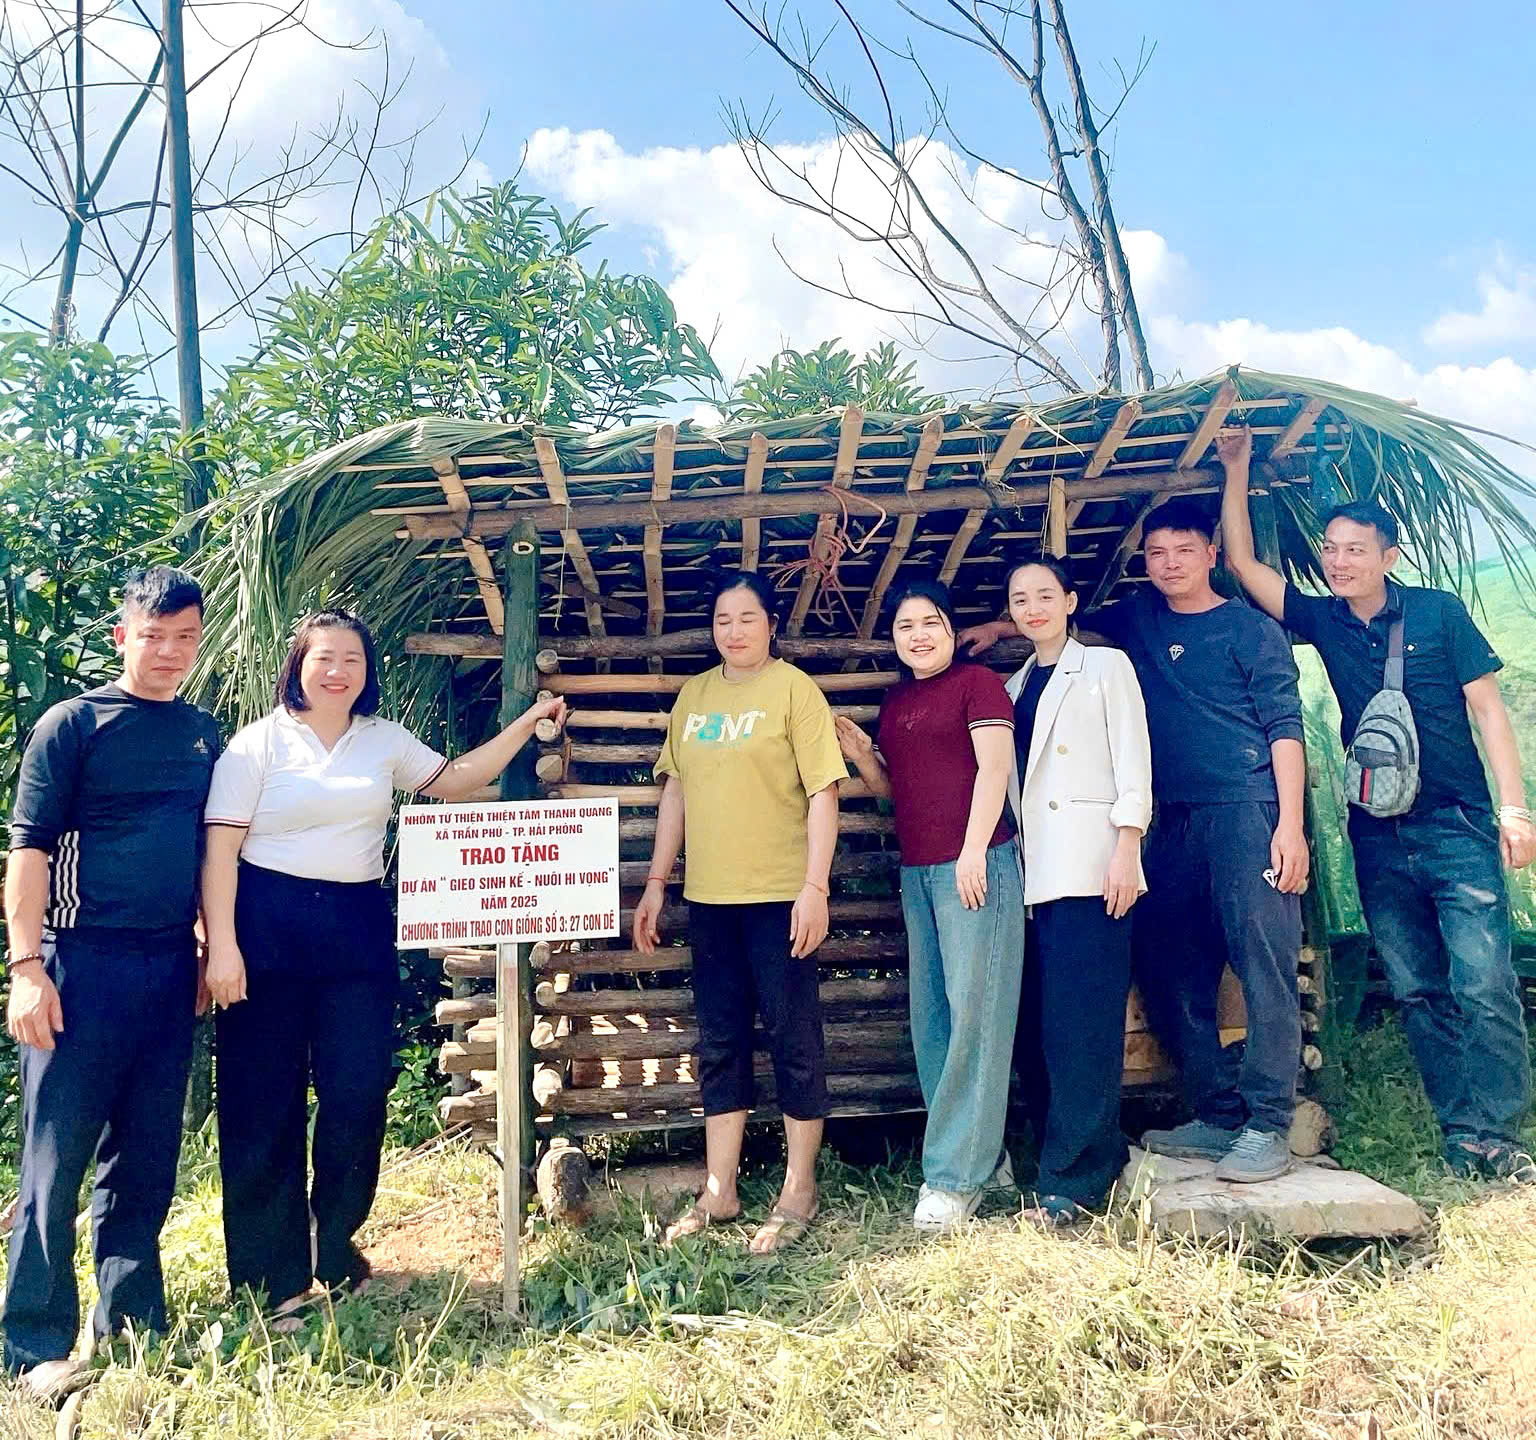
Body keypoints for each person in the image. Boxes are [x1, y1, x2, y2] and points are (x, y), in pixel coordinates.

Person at [200, 609, 564, 1324]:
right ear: (298, 665)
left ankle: (331, 1247)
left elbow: (455, 780)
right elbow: (219, 853)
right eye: (323, 658)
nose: (337, 672)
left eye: (352, 661)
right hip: (262, 927)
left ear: (366, 673)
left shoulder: (382, 741)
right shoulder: (256, 746)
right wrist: (223, 945)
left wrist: (525, 725)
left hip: (355, 928)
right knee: (259, 1104)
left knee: (356, 1092)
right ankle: (269, 1279)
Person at [1218, 426, 1536, 1180]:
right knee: (1421, 990)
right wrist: (1235, 469)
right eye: (1330, 548)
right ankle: (1464, 1134)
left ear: (1388, 556)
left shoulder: (1438, 613)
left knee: (1484, 982)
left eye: (1354, 549)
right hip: (1379, 834)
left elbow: (1489, 709)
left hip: (1456, 823)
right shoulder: (1325, 620)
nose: (1338, 561)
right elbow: (1244, 564)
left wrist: (1515, 808)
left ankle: (1503, 1136)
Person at [962, 499, 1309, 1183]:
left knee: (1262, 963)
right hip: (1165, 821)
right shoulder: (1135, 622)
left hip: (1245, 808)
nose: (1169, 563)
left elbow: (1284, 727)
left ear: (1211, 554)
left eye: (1183, 549)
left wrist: (1289, 824)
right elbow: (1055, 620)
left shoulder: (1249, 630)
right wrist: (996, 624)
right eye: (1156, 553)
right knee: (1172, 968)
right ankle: (1217, 1114)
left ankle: (1270, 1122)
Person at [4, 567, 218, 1399]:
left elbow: (209, 851)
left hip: (169, 968)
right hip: (76, 964)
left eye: (185, 638)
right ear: (122, 635)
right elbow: (26, 850)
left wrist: (205, 946)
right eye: (153, 636)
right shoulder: (73, 725)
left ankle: (131, 1328)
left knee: (145, 1160)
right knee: (54, 1165)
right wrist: (25, 968)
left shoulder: (204, 734)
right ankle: (32, 1347)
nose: (168, 652)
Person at [632, 571, 845, 1254]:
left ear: (770, 624)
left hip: (781, 895)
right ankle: (719, 1189)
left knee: (793, 1036)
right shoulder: (694, 697)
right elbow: (677, 796)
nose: (734, 630)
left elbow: (823, 794)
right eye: (724, 619)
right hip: (710, 899)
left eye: (747, 617)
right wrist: (658, 881)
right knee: (720, 1040)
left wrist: (815, 886)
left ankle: (798, 1188)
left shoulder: (793, 690)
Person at [835, 579, 1024, 1233]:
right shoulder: (897, 703)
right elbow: (896, 792)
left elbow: (994, 770)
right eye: (905, 626)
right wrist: (863, 756)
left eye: (930, 622)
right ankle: (986, 1157)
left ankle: (953, 1180)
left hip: (977, 865)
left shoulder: (978, 684)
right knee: (935, 1023)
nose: (918, 635)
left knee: (977, 1018)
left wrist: (974, 850)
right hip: (919, 872)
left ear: (951, 627)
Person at [1001, 557, 1151, 1224]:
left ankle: (1077, 1183)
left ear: (1069, 600)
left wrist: (1128, 845)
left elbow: (1133, 759)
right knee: (1040, 1027)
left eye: (1043, 595)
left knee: (1082, 1029)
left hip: (1093, 867)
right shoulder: (1010, 688)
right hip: (1034, 876)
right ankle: (1066, 1159)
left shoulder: (1106, 668)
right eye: (1019, 599)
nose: (1032, 608)